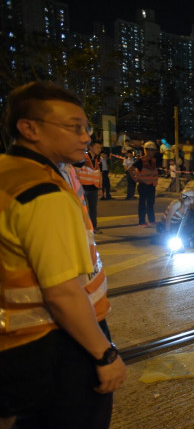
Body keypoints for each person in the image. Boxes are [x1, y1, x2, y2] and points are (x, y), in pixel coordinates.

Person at [0, 81, 126, 428]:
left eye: (86, 127)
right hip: (57, 345)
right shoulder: (43, 194)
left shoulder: (7, 172)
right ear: (29, 128)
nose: (86, 136)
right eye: (74, 127)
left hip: (15, 344)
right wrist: (105, 354)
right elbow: (62, 293)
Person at [75, 140, 103, 233]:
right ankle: (82, 228)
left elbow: (99, 174)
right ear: (91, 147)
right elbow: (75, 171)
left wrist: (100, 188)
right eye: (97, 147)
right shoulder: (83, 158)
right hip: (83, 187)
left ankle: (93, 227)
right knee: (82, 209)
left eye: (100, 148)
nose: (99, 149)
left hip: (94, 187)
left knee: (93, 209)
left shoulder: (99, 160)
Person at [134, 141, 159, 227]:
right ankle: (142, 221)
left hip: (151, 185)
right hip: (143, 185)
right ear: (146, 150)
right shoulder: (140, 160)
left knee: (151, 204)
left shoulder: (154, 161)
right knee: (142, 204)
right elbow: (131, 169)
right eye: (151, 150)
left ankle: (152, 220)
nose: (152, 152)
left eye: (153, 150)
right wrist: (137, 179)